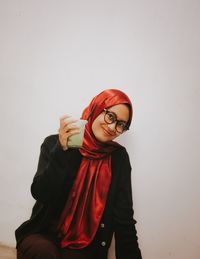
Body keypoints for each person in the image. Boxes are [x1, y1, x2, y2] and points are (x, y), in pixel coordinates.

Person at [15, 89, 142, 259]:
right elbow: (41, 193)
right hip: (44, 234)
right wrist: (61, 151)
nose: (113, 127)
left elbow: (124, 217)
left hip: (86, 244)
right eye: (110, 116)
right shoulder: (55, 143)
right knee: (43, 253)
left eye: (121, 124)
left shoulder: (118, 158)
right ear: (96, 108)